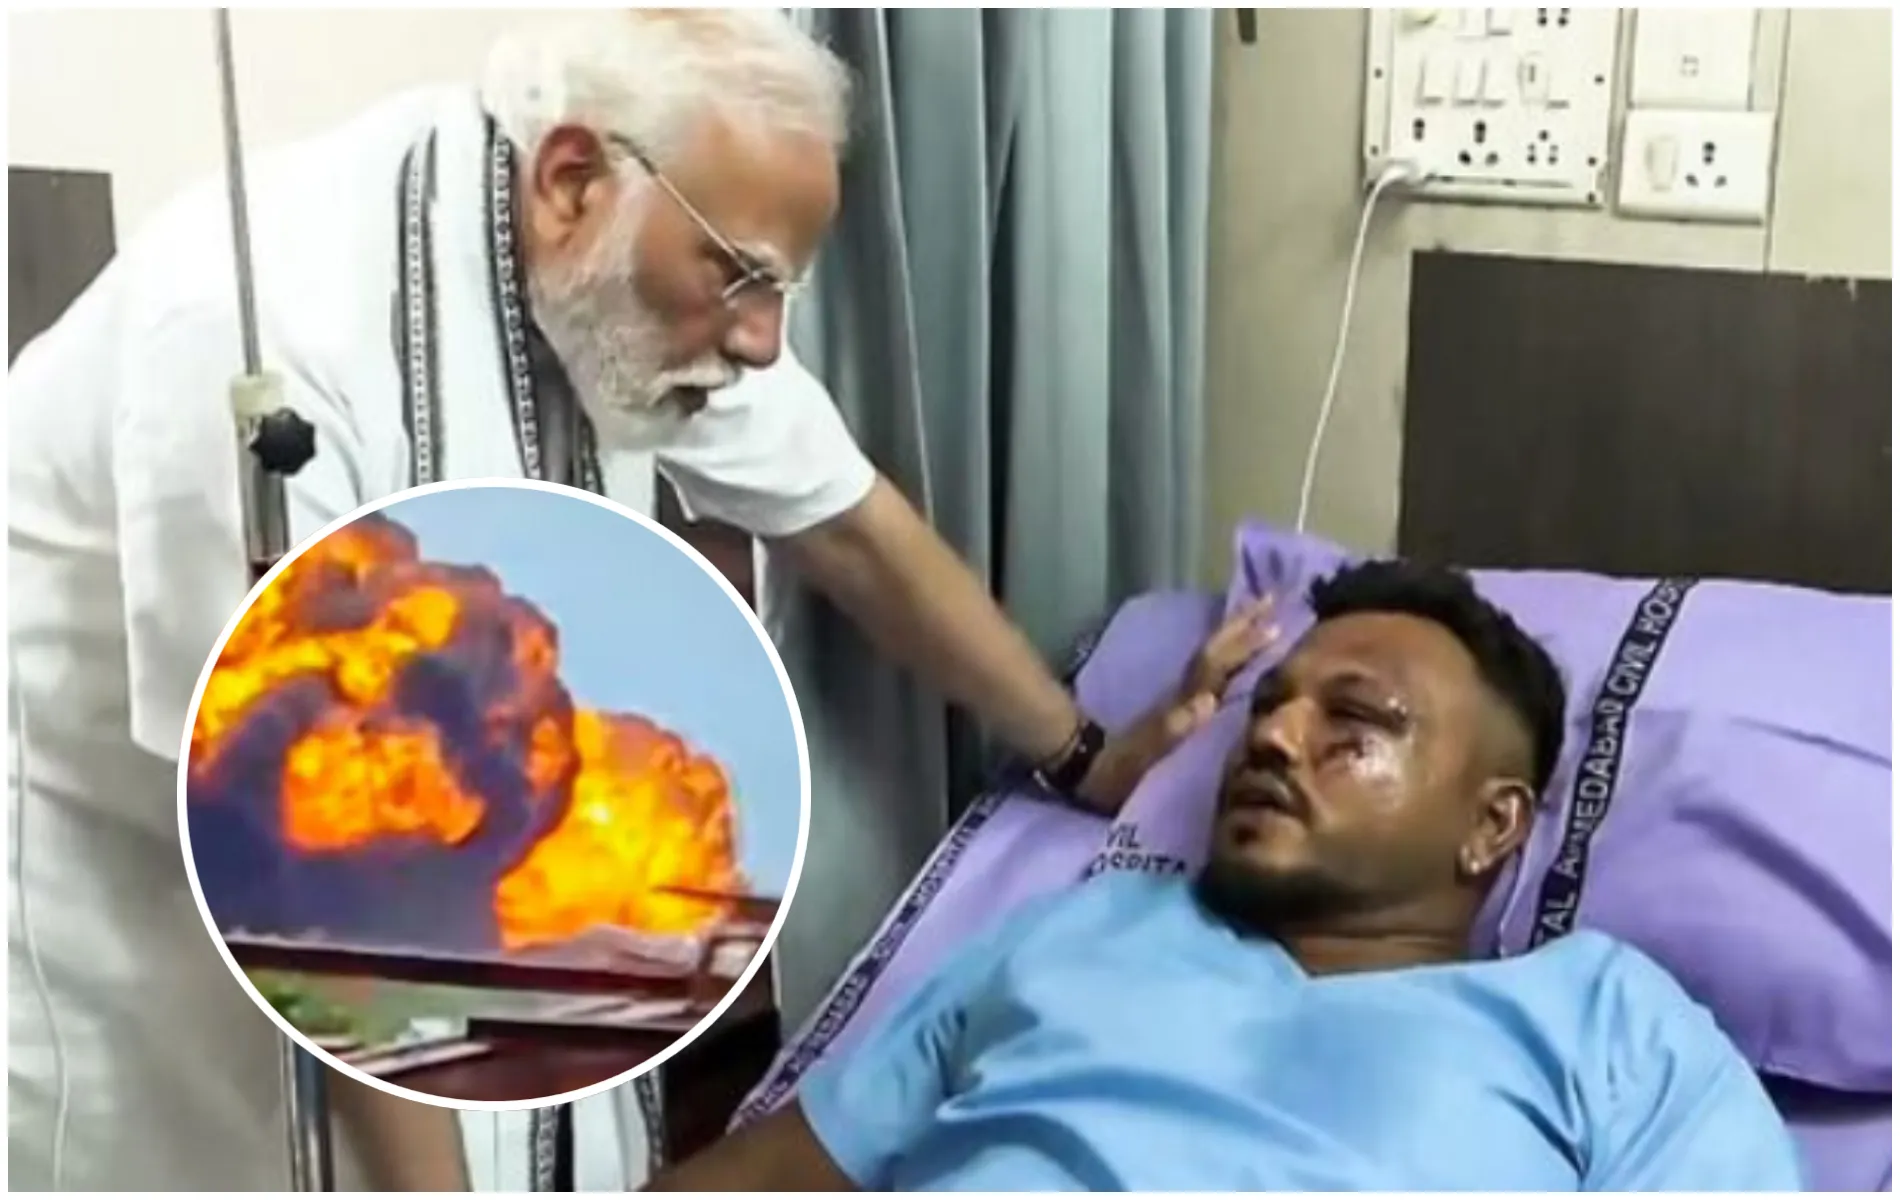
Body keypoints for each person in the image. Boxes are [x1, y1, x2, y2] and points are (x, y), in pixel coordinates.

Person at [6, 10, 1257, 1192]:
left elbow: (849, 525)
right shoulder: (268, 340)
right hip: (164, 947)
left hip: (441, 913)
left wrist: (1081, 751)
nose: (762, 341)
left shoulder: (637, 276)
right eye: (743, 280)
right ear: (569, 181)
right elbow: (316, 883)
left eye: (779, 292)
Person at [645, 560, 1806, 1192]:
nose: (1274, 737)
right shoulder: (1075, 932)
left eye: (1354, 722)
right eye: (1270, 706)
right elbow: (773, 1173)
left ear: (1490, 826)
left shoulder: (1602, 1026)